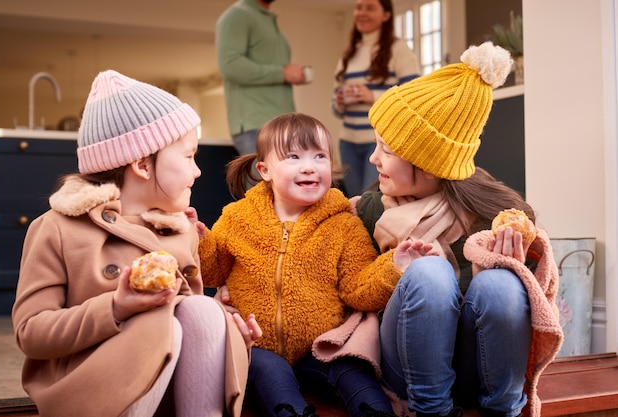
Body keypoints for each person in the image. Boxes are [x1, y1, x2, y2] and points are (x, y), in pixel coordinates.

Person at [11, 70, 262, 417]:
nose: (198, 171)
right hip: (88, 386)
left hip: (170, 390)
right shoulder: (56, 228)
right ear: (143, 164)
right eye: (189, 156)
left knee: (203, 310)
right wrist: (115, 307)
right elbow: (31, 333)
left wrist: (228, 338)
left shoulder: (181, 230)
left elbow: (190, 323)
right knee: (161, 320)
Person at [351, 42, 563, 417]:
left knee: (501, 284)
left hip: (476, 366)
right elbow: (352, 293)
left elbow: (527, 306)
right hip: (405, 368)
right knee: (429, 272)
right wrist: (396, 268)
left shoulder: (494, 216)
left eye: (386, 149)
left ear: (428, 163)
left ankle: (505, 411)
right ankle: (433, 412)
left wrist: (508, 269)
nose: (373, 158)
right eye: (375, 144)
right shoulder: (369, 210)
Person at [196, 112, 418, 417]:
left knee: (351, 369)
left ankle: (375, 412)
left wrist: (393, 267)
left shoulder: (343, 225)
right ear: (265, 170)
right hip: (257, 347)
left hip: (321, 347)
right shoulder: (237, 218)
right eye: (293, 156)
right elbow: (213, 271)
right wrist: (200, 242)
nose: (309, 166)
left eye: (319, 156)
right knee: (272, 375)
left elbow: (358, 289)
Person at [332, 0, 420, 198]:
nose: (362, 12)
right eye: (359, 7)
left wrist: (373, 97)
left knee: (373, 200)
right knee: (356, 201)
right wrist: (339, 102)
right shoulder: (348, 53)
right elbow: (335, 108)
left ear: (386, 15)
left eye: (370, 8)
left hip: (380, 142)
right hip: (348, 143)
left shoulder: (398, 49)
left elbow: (413, 94)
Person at [216, 0, 307, 157]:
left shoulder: (265, 18)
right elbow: (231, 66)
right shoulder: (237, 15)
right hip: (257, 127)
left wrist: (289, 74)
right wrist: (282, 73)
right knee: (261, 182)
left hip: (282, 126)